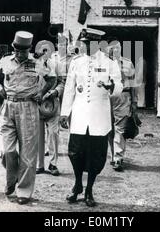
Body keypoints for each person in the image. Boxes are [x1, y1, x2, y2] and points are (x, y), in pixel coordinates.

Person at [59, 28, 122, 207]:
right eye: (83, 43)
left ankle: (89, 189)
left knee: (96, 155)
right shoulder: (76, 62)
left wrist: (111, 86)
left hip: (99, 115)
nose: (84, 46)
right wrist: (65, 113)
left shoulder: (110, 63)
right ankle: (78, 184)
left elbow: (119, 87)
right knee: (75, 152)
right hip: (79, 115)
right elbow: (70, 88)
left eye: (88, 44)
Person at [0, 31, 54, 205]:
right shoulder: (5, 61)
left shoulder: (37, 63)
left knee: (28, 153)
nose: (20, 53)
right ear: (13, 48)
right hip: (8, 106)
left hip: (28, 107)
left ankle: (24, 191)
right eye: (17, 50)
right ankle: (11, 179)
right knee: (7, 150)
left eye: (24, 50)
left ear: (29, 49)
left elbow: (52, 79)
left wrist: (42, 93)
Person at [36, 39, 70, 176]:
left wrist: (54, 92)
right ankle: (40, 164)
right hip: (36, 103)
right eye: (42, 50)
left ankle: (53, 163)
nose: (45, 53)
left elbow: (62, 82)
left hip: (52, 103)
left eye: (47, 50)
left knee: (53, 133)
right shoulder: (33, 65)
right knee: (38, 135)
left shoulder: (56, 64)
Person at [107, 39, 137, 172]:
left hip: (123, 97)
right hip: (107, 97)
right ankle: (113, 154)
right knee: (109, 128)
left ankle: (118, 157)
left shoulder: (127, 63)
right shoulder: (104, 63)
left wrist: (134, 101)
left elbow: (133, 84)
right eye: (113, 48)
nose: (115, 50)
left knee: (120, 128)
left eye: (118, 48)